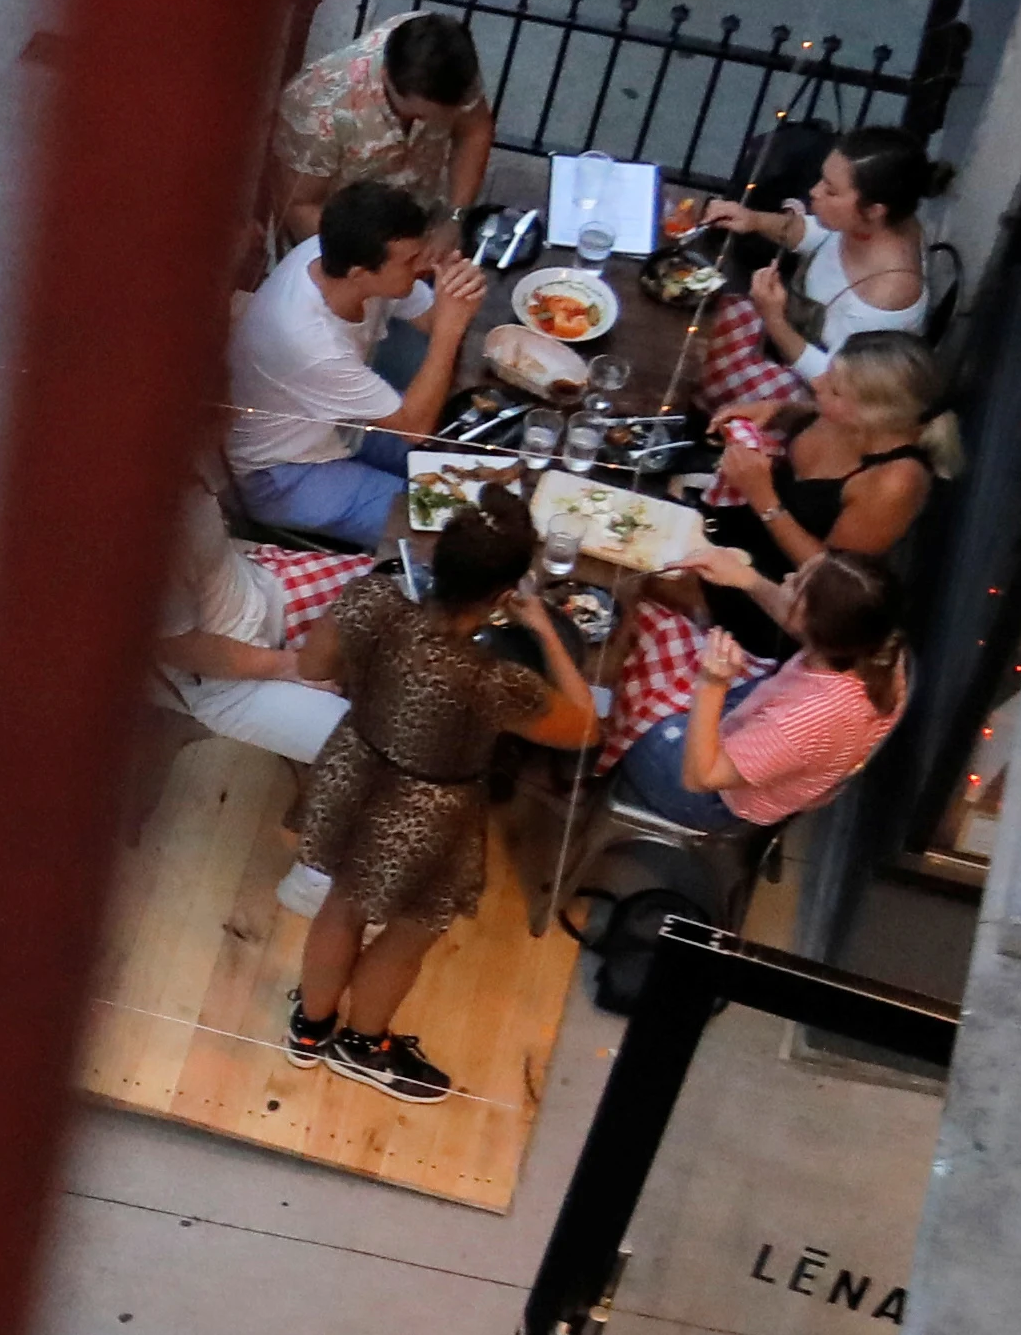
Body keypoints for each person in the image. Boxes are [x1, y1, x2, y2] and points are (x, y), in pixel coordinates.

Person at [286, 486, 598, 1103]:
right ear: (504, 595)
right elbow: (586, 729)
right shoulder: (492, 681)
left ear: (435, 557)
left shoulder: (372, 600)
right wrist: (546, 630)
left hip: (355, 766)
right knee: (409, 930)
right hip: (428, 812)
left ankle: (311, 1029)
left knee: (343, 902)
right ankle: (363, 1046)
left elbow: (311, 666)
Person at [225, 181, 492, 549]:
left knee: (459, 465)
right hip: (281, 470)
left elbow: (430, 318)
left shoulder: (337, 257)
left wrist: (454, 295)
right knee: (435, 522)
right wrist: (451, 329)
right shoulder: (312, 343)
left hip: (339, 423)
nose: (424, 268)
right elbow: (414, 427)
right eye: (411, 262)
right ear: (359, 274)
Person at [608, 556, 905, 831]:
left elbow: (700, 777)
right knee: (656, 630)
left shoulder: (805, 718)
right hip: (749, 730)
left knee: (613, 691)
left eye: (797, 584)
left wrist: (712, 684)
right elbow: (806, 623)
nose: (787, 577)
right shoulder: (878, 647)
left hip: (710, 796)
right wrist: (745, 578)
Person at [695, 332, 941, 653]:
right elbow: (814, 412)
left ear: (871, 415)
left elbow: (832, 579)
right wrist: (779, 410)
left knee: (643, 573)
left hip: (774, 595)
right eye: (828, 372)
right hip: (733, 529)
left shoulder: (895, 482)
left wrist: (764, 499)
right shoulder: (842, 418)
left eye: (835, 389)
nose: (817, 384)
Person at [673, 128, 945, 384]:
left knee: (685, 367)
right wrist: (752, 219)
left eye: (831, 190)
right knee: (687, 311)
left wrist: (774, 318)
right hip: (782, 331)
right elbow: (821, 235)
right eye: (821, 180)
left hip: (809, 391)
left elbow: (837, 380)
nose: (814, 192)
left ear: (875, 210)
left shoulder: (886, 294)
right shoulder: (876, 222)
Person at [264, 8, 496, 248]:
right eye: (418, 115)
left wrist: (454, 218)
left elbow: (473, 131)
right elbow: (299, 207)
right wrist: (379, 261)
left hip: (420, 218)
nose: (430, 124)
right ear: (386, 76)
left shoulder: (447, 57)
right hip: (345, 247)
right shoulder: (317, 107)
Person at [155, 492, 353, 764]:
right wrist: (294, 667)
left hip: (267, 589)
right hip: (226, 682)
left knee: (405, 585)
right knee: (369, 754)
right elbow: (179, 648)